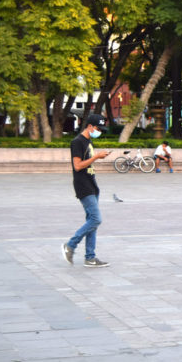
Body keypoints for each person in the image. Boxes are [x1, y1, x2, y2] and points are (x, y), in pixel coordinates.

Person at [62, 114, 112, 268]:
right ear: (90, 126)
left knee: (92, 222)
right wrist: (96, 156)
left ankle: (90, 257)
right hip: (83, 185)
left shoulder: (88, 141)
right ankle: (70, 245)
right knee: (96, 219)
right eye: (98, 128)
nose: (99, 132)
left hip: (92, 184)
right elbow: (77, 166)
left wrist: (97, 157)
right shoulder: (77, 142)